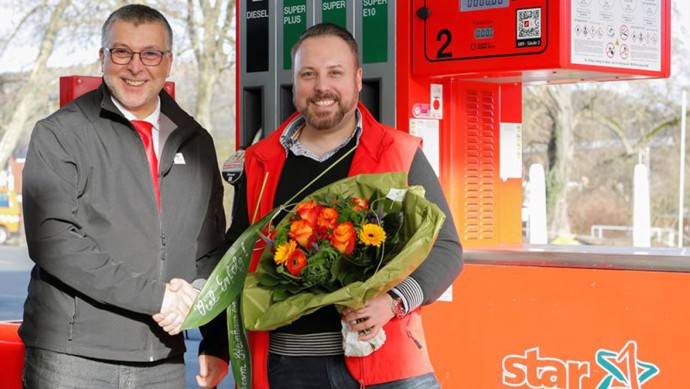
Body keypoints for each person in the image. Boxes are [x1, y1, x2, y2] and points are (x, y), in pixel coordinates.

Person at [227, 23, 463, 388]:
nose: (322, 87)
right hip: (287, 369)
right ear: (295, 84)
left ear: (357, 79)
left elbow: (446, 248)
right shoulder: (259, 160)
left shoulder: (400, 153)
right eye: (309, 74)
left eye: (335, 72)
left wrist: (393, 301)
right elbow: (235, 258)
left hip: (385, 364)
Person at [21, 4, 228, 388]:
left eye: (150, 54)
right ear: (102, 58)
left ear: (167, 63)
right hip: (73, 360)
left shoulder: (197, 141)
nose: (136, 67)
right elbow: (54, 242)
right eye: (122, 52)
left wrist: (206, 318)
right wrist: (158, 299)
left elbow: (211, 247)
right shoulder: (60, 134)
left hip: (163, 359)